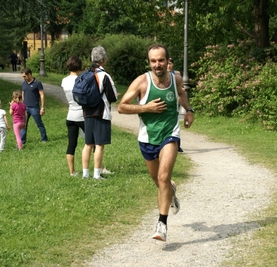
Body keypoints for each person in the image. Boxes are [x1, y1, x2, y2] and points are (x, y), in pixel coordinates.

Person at [118, 44, 195, 241]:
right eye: (153, 61)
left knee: (162, 177)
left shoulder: (175, 79)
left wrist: (188, 110)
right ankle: (171, 189)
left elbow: (181, 93)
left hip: (170, 133)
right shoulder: (142, 82)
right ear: (149, 62)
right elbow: (121, 108)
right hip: (147, 137)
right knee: (159, 181)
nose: (157, 64)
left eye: (161, 60)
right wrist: (146, 108)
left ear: (167, 60)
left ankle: (162, 224)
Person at [81, 46, 117, 180]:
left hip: (87, 113)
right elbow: (112, 97)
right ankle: (96, 174)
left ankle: (85, 173)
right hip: (101, 113)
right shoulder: (104, 76)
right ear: (104, 60)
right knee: (99, 145)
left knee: (87, 144)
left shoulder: (85, 74)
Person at [20, 68, 48, 144]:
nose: (24, 78)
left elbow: (42, 95)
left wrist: (42, 107)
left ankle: (44, 139)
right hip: (25, 108)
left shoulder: (37, 83)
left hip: (34, 107)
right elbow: (23, 94)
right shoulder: (24, 83)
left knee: (39, 124)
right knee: (23, 125)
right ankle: (22, 141)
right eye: (22, 76)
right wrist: (21, 105)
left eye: (24, 76)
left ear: (29, 74)